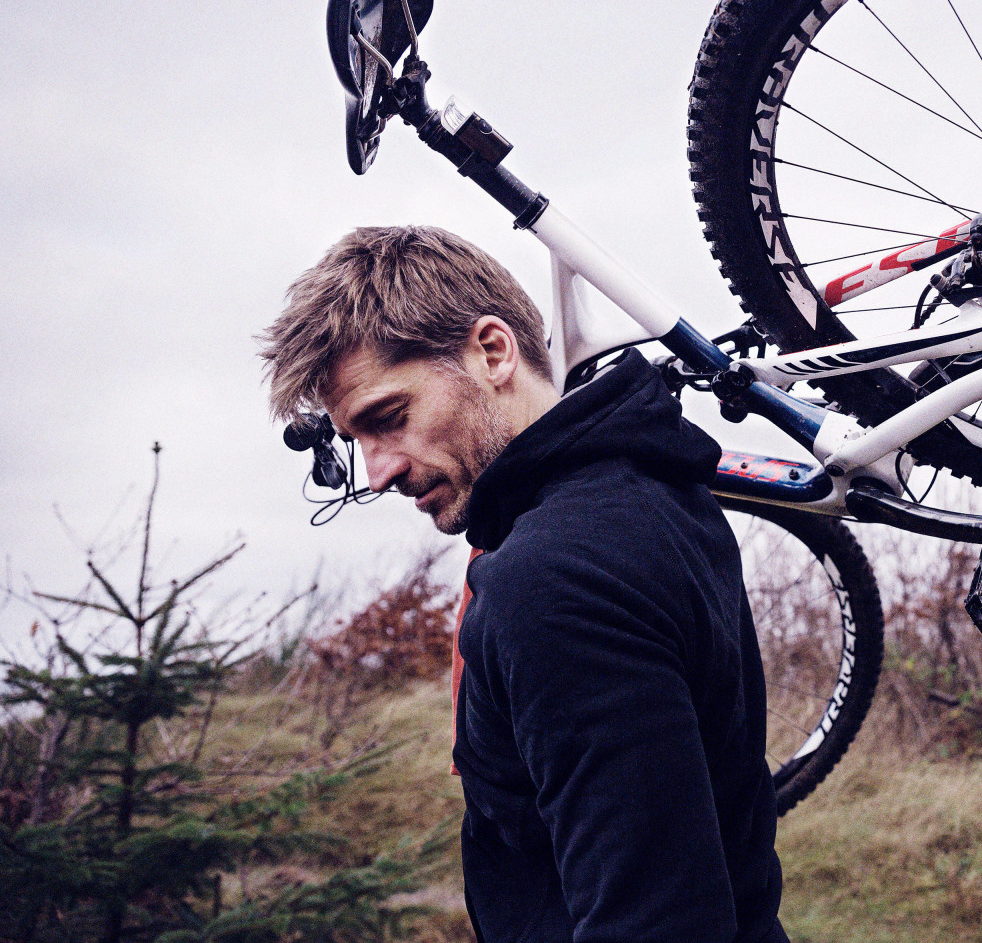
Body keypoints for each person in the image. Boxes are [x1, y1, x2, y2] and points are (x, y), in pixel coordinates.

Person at [258, 225, 787, 943]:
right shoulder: (653, 494)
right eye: (358, 441)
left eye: (390, 418)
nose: (377, 471)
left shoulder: (552, 578)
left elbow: (654, 920)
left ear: (492, 351)